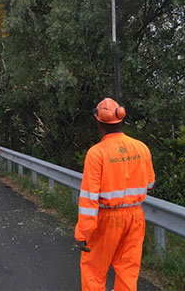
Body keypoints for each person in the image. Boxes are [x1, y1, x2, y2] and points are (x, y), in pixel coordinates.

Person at [75, 98, 155, 291]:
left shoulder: (97, 153)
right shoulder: (141, 148)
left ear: (99, 124)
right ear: (121, 120)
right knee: (127, 270)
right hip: (135, 217)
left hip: (107, 219)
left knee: (93, 271)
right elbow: (150, 184)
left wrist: (83, 232)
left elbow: (89, 198)